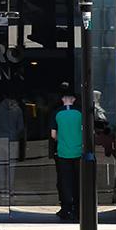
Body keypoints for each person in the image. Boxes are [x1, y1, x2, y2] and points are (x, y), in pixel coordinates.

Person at [50, 85, 81, 221]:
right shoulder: (80, 113)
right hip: (79, 152)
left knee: (64, 181)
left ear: (62, 99)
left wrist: (61, 139)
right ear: (73, 99)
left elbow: (53, 134)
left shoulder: (56, 113)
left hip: (63, 152)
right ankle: (78, 208)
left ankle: (66, 208)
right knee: (78, 181)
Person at [0, 95, 25, 197]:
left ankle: (2, 190)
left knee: (0, 166)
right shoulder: (17, 110)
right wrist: (15, 135)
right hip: (13, 140)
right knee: (11, 167)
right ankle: (10, 189)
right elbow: (21, 127)